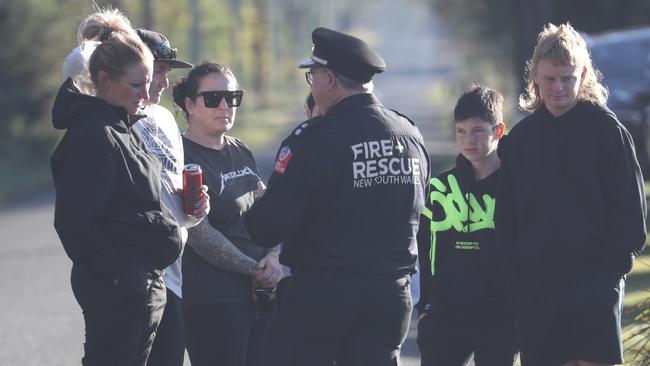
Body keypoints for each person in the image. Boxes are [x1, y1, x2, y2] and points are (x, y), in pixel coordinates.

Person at [244, 27, 431, 366]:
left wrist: (256, 204)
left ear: (329, 79)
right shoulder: (410, 135)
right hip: (391, 296)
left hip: (323, 297)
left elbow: (266, 227)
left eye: (312, 75)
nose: (312, 84)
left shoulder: (314, 140)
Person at [496, 23, 647, 366]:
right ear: (535, 75)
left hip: (595, 284)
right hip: (536, 290)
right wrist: (519, 285)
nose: (559, 88)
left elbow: (630, 218)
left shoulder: (609, 133)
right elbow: (506, 220)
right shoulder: (520, 142)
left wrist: (607, 276)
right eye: (550, 79)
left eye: (568, 78)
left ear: (583, 73)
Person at [51, 19, 182, 366]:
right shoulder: (93, 134)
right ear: (104, 80)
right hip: (121, 291)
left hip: (141, 289)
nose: (145, 93)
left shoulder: (120, 125)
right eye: (136, 84)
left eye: (147, 81)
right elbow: (74, 223)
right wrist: (122, 275)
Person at [172, 61, 283, 366]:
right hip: (213, 301)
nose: (225, 105)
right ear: (190, 104)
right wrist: (254, 269)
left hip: (262, 295)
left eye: (232, 97)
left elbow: (268, 212)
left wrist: (273, 258)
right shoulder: (181, 157)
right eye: (212, 98)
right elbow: (198, 232)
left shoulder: (240, 149)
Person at [416, 85, 518, 366]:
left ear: (498, 131)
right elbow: (422, 250)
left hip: (500, 316)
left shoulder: (516, 189)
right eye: (460, 131)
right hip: (444, 316)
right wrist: (424, 306)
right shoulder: (439, 188)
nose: (468, 140)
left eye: (477, 131)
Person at [134, 29, 209, 366]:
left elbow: (181, 203)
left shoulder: (164, 118)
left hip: (173, 277)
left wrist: (196, 208)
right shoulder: (117, 122)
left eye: (166, 71)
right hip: (136, 278)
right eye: (157, 70)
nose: (163, 81)